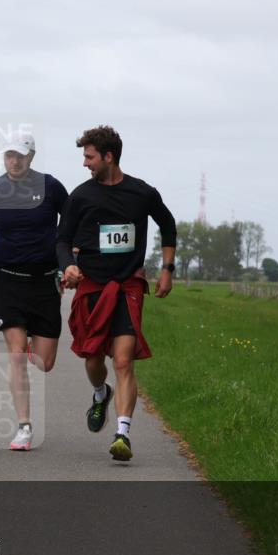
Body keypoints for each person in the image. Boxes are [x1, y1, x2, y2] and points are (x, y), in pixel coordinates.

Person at [57, 125, 176, 462]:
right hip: (92, 286)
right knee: (93, 358)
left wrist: (167, 269)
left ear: (108, 157)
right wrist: (68, 265)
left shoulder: (142, 193)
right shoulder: (80, 196)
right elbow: (62, 239)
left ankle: (122, 433)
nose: (85, 163)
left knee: (123, 360)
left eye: (89, 157)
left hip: (127, 287)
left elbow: (168, 225)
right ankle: (100, 393)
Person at [0, 133, 68, 451]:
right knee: (15, 355)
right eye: (9, 155)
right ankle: (24, 427)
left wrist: (70, 263)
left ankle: (32, 346)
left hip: (44, 281)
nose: (13, 161)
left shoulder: (51, 187)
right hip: (8, 280)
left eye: (20, 156)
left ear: (32, 157)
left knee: (43, 362)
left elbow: (70, 226)